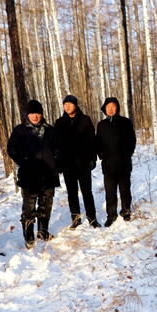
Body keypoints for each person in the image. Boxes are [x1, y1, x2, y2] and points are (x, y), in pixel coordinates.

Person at [7, 100, 60, 248]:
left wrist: (56, 158)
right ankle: (29, 237)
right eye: (32, 114)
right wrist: (24, 161)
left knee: (46, 206)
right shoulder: (20, 131)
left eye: (37, 113)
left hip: (48, 175)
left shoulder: (50, 130)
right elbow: (11, 149)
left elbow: (59, 146)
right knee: (29, 209)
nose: (35, 116)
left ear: (42, 114)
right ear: (27, 115)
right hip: (29, 175)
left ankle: (43, 232)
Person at [55, 95, 101, 228]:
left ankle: (92, 219)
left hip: (83, 164)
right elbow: (57, 144)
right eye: (65, 104)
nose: (67, 106)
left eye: (70, 104)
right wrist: (59, 163)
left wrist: (92, 158)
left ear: (76, 105)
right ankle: (76, 219)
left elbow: (92, 140)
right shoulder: (59, 123)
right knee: (72, 194)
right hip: (68, 165)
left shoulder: (85, 120)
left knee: (87, 192)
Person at [95, 97, 137, 227]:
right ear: (105, 109)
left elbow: (132, 140)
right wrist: (102, 155)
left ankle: (126, 211)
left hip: (123, 163)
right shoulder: (101, 125)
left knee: (125, 190)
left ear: (117, 107)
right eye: (108, 107)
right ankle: (111, 215)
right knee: (110, 192)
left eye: (113, 106)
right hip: (108, 165)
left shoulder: (125, 122)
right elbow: (98, 142)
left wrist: (127, 154)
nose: (111, 109)